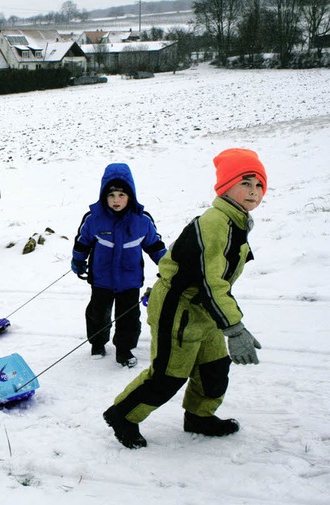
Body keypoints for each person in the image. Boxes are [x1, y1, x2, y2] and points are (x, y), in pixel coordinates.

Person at [103, 148, 268, 449]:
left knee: (214, 368)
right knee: (168, 374)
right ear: (226, 186)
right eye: (245, 183)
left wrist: (227, 322)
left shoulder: (236, 221)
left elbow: (217, 282)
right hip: (177, 308)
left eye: (258, 185)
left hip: (204, 310)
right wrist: (235, 328)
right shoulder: (215, 223)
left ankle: (199, 416)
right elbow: (210, 281)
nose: (253, 192)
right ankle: (123, 415)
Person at [72, 163, 167, 367]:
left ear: (130, 195)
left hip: (130, 280)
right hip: (101, 278)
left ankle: (124, 349)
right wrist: (78, 261)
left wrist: (168, 267)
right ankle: (98, 343)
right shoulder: (94, 218)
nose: (116, 200)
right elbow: (82, 242)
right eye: (111, 195)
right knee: (98, 314)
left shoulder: (142, 220)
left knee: (129, 319)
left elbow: (155, 245)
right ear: (103, 196)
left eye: (121, 195)